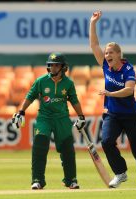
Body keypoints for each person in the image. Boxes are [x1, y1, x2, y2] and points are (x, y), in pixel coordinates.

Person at [89, 10, 136, 190]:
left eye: (110, 52)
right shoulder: (106, 66)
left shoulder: (128, 69)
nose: (106, 55)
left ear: (118, 54)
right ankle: (121, 172)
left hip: (131, 115)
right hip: (113, 114)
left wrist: (110, 94)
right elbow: (94, 44)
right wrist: (92, 22)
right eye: (106, 52)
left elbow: (129, 90)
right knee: (106, 142)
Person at [11, 52, 86, 190]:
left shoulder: (68, 83)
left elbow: (74, 100)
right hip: (44, 118)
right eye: (51, 65)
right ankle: (37, 180)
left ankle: (71, 180)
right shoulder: (41, 81)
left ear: (63, 67)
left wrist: (81, 116)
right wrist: (21, 112)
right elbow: (30, 96)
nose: (53, 68)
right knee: (39, 144)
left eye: (56, 65)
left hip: (62, 118)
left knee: (67, 149)